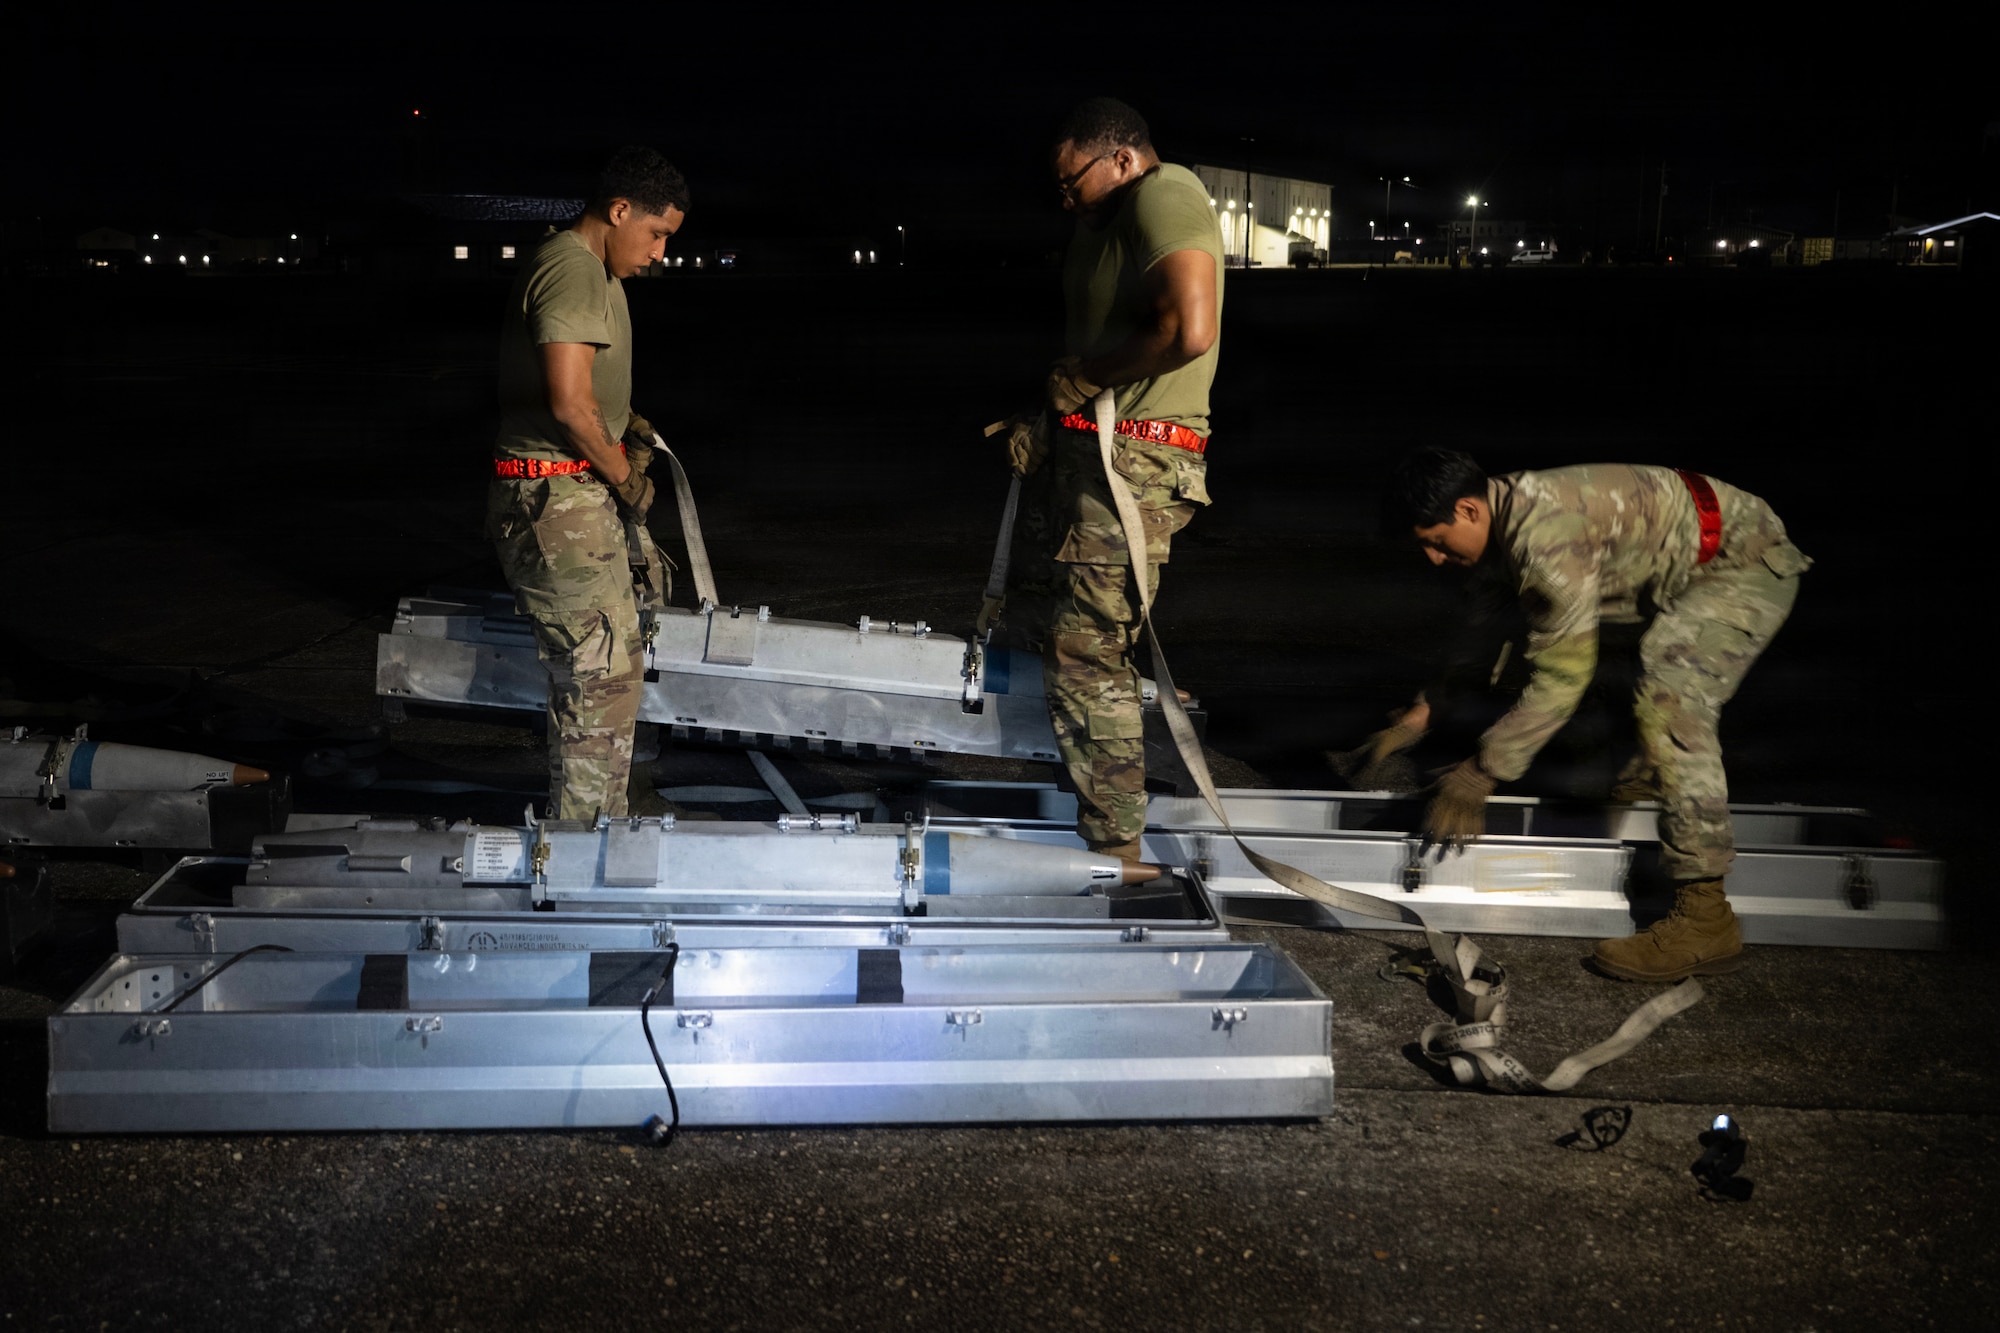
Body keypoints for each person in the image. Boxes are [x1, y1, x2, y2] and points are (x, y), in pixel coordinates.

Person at [1382, 447, 1812, 982]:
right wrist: (1428, 708)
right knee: (1619, 674)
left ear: (1468, 511)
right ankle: (1650, 781)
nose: (1433, 560)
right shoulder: (1499, 516)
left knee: (1669, 699)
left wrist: (1481, 773)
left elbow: (1562, 678)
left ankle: (1706, 916)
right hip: (1681, 557)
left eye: (1436, 543)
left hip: (1740, 560)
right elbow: (1483, 623)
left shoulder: (1545, 541)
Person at [993, 97, 1224, 862]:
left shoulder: (1164, 193)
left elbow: (1189, 330)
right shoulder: (1107, 224)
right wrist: (1053, 415)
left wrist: (1083, 379)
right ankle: (1096, 809)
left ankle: (1120, 855)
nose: (1065, 199)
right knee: (1059, 639)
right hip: (1093, 454)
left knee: (1087, 657)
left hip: (1135, 464)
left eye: (1072, 182)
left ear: (1122, 159)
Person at [486, 146, 688, 821]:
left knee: (613, 672)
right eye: (656, 233)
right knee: (597, 678)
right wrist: (623, 472)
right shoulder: (572, 268)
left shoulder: (597, 272)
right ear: (619, 210)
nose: (660, 252)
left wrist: (622, 422)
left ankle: (605, 828)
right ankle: (577, 859)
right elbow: (570, 405)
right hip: (555, 496)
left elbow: (589, 401)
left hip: (574, 491)